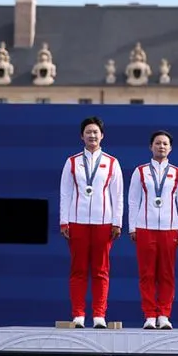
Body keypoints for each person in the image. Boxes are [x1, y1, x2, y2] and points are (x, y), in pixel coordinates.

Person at [59, 116, 124, 329]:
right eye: (88, 132)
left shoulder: (112, 163)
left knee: (100, 270)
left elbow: (118, 195)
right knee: (78, 270)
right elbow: (65, 193)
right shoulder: (72, 162)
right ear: (82, 136)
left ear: (102, 135)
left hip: (103, 222)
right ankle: (78, 314)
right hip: (77, 221)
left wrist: (117, 222)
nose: (92, 135)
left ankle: (99, 315)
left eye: (95, 132)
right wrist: (63, 220)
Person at [128, 130, 178, 330]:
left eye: (165, 144)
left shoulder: (177, 173)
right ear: (150, 147)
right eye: (157, 143)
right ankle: (149, 315)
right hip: (145, 227)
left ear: (170, 148)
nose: (161, 147)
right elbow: (132, 200)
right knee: (146, 274)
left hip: (169, 228)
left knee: (166, 274)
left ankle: (164, 314)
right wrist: (131, 226)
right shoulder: (141, 171)